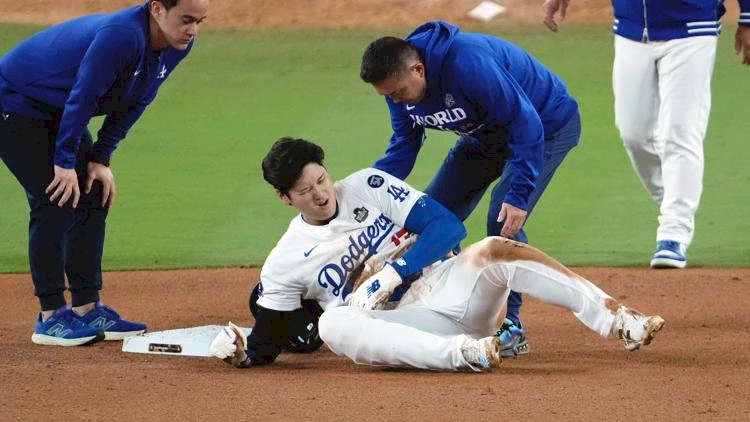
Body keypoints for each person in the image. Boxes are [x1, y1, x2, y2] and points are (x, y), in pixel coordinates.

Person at [208, 137, 665, 372]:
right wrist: (243, 352)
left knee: (494, 249)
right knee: (333, 323)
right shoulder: (285, 260)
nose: (321, 193)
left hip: (447, 289)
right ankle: (466, 355)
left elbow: (448, 226)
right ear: (285, 198)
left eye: (322, 179)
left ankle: (618, 320)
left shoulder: (368, 184)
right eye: (306, 191)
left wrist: (388, 275)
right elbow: (271, 336)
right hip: (397, 326)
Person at [357, 21, 582, 357]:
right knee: (430, 218)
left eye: (397, 92)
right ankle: (454, 305)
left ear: (418, 70)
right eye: (387, 95)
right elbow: (404, 146)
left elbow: (526, 123)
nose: (394, 100)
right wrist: (366, 192)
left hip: (546, 127)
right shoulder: (398, 86)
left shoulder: (468, 64)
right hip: (485, 136)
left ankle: (511, 326)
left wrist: (519, 194)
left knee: (501, 219)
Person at [0, 0, 210, 346]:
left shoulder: (176, 44)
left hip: (56, 109)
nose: (193, 30)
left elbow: (139, 100)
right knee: (55, 197)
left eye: (200, 21)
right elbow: (83, 97)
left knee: (93, 189)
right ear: (157, 9)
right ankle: (51, 316)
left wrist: (100, 158)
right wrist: (65, 162)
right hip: (15, 102)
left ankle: (87, 306)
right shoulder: (122, 36)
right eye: (186, 20)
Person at [542, 0, 750, 268]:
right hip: (631, 30)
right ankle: (676, 198)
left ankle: (673, 232)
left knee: (680, 132)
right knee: (633, 133)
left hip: (692, 30)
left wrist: (746, 17)